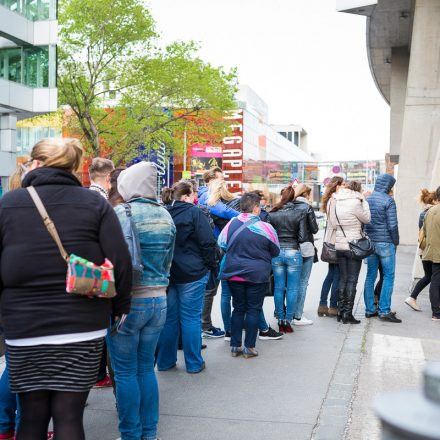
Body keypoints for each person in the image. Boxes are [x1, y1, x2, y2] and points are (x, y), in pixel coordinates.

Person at [0, 138, 132, 440]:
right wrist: (120, 308)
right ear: (74, 167)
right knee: (69, 415)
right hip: (83, 326)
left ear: (35, 163)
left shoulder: (8, 204)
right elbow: (121, 262)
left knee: (31, 415)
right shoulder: (95, 203)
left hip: (23, 327)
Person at [108, 162, 176, 440]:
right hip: (159, 299)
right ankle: (149, 432)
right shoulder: (165, 215)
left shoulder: (121, 213)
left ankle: (130, 434)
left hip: (128, 302)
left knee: (124, 372)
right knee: (146, 368)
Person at [156, 182, 217, 373]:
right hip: (192, 272)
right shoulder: (194, 212)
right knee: (190, 318)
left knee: (170, 319)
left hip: (168, 271)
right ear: (185, 196)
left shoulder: (162, 212)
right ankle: (193, 363)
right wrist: (208, 265)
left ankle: (165, 361)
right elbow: (207, 242)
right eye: (193, 195)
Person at [218, 193, 280, 358]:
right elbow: (276, 250)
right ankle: (249, 347)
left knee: (238, 308)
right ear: (256, 208)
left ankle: (235, 346)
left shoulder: (231, 223)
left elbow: (222, 243)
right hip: (257, 275)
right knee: (253, 309)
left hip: (234, 273)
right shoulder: (266, 228)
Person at [327, 180, 371, 324]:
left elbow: (333, 224)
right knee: (352, 280)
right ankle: (347, 314)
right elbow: (367, 218)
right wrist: (364, 201)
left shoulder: (336, 202)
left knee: (342, 279)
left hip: (340, 246)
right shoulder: (356, 202)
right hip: (353, 246)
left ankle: (340, 311)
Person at [364, 174, 402, 323]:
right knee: (388, 276)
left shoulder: (368, 200)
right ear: (388, 186)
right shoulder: (388, 200)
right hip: (386, 242)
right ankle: (384, 310)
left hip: (371, 244)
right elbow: (393, 225)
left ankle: (369, 310)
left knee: (370, 276)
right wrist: (396, 242)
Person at [269, 185, 305, 333]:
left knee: (278, 287)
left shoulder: (272, 213)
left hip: (276, 252)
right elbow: (302, 237)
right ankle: (288, 320)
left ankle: (280, 319)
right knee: (292, 288)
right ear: (293, 197)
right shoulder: (299, 213)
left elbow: (269, 235)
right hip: (293, 251)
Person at [405, 189, 438, 312]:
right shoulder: (431, 213)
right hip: (431, 250)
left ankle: (413, 297)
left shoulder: (423, 213)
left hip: (424, 250)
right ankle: (434, 307)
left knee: (429, 276)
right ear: (434, 201)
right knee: (433, 278)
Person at [292, 183, 319, 326]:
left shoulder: (288, 205)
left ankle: (287, 312)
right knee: (303, 282)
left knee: (289, 283)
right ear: (306, 194)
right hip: (306, 247)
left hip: (291, 247)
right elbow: (314, 229)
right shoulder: (307, 207)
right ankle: (298, 315)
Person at [318, 177, 344, 317]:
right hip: (335, 242)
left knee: (331, 275)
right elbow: (334, 222)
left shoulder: (330, 199)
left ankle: (323, 305)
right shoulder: (334, 200)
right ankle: (333, 306)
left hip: (331, 241)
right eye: (343, 184)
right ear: (337, 185)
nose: (344, 187)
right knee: (337, 275)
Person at [420, 186, 440, 320]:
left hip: (431, 251)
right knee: (436, 282)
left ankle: (435, 312)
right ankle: (436, 313)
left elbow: (424, 232)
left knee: (435, 281)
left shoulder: (430, 211)